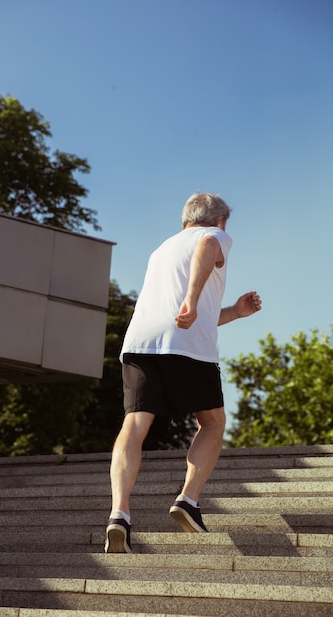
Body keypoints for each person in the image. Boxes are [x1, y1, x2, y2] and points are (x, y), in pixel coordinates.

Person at [105, 192, 262, 553]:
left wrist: (234, 312)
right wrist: (192, 298)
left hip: (139, 344)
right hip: (188, 347)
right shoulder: (215, 234)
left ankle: (119, 514)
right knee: (212, 422)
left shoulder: (161, 250)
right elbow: (207, 247)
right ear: (220, 219)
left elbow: (188, 315)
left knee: (134, 425)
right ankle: (188, 499)